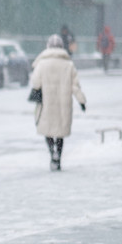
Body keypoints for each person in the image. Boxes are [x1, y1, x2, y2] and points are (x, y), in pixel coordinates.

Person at [29, 34, 86, 171]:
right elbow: (75, 86)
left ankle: (52, 153)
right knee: (60, 132)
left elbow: (35, 83)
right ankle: (58, 158)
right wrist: (82, 101)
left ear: (48, 47)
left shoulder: (41, 64)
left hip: (46, 103)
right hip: (63, 103)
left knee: (48, 130)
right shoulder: (69, 64)